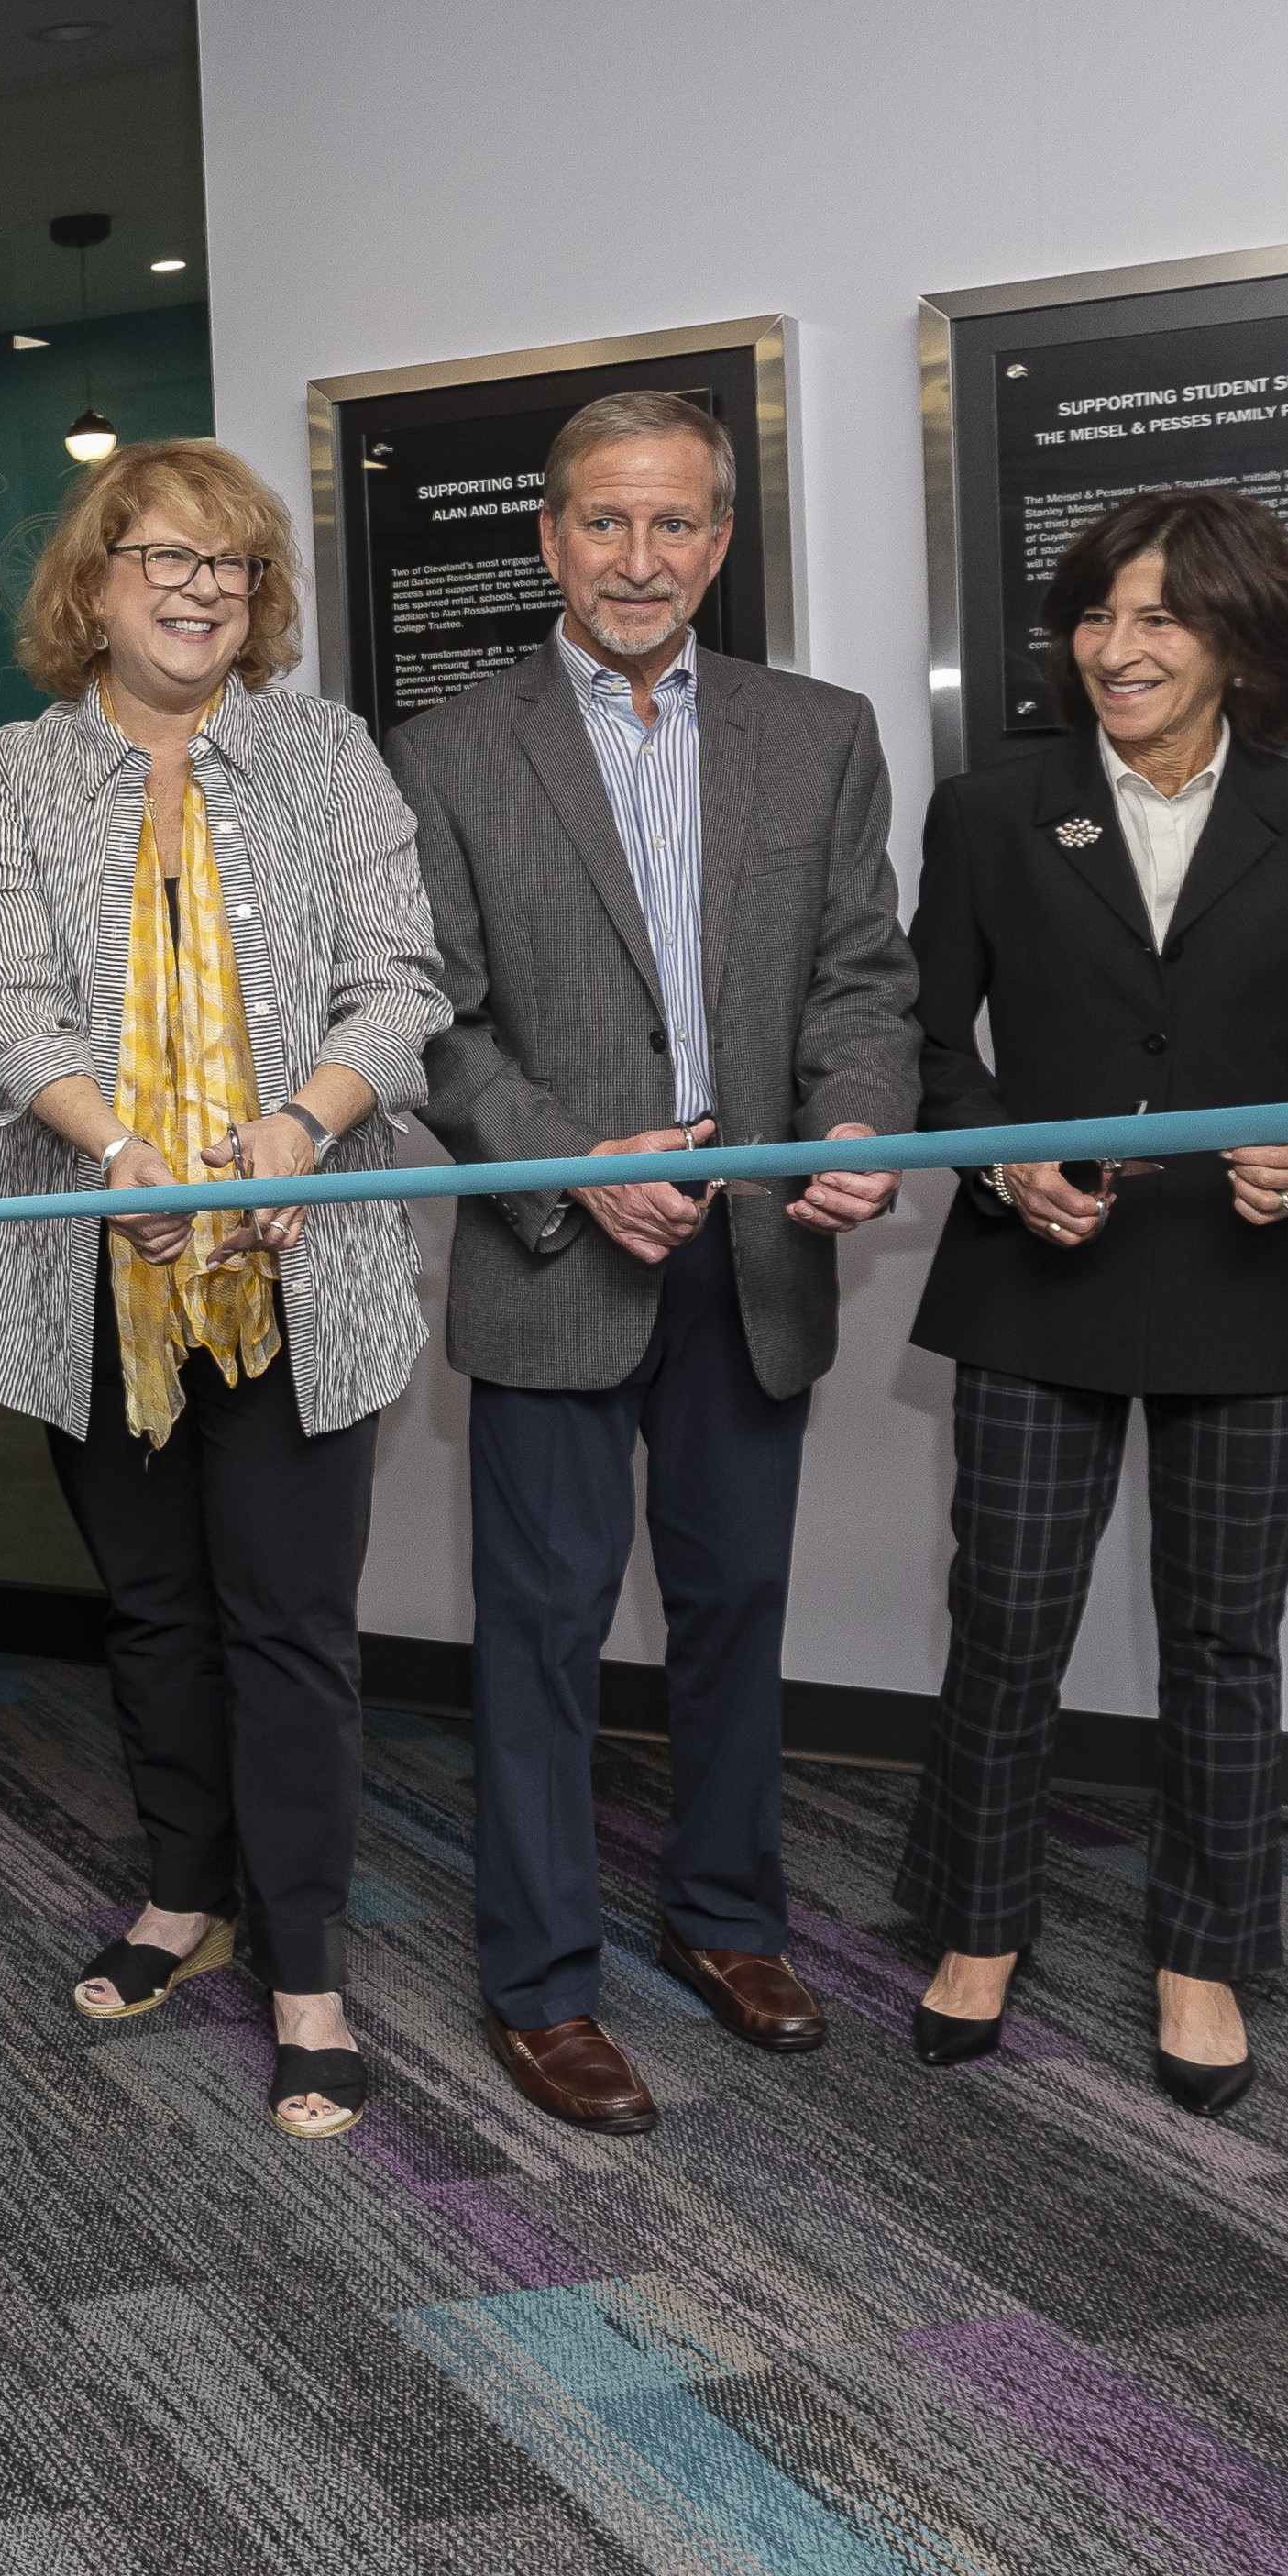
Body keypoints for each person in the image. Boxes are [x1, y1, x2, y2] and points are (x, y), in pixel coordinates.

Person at [388, 389, 919, 2139]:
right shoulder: (449, 752)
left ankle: (723, 1923)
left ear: (717, 541)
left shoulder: (818, 733)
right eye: (602, 525)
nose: (637, 558)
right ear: (546, 539)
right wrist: (565, 1167)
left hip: (750, 1249)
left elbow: (860, 977)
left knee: (731, 1617)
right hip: (556, 1248)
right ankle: (538, 1986)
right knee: (534, 1637)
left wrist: (850, 1123)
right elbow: (434, 1025)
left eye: (673, 524)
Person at [0, 439, 443, 2143]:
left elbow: (397, 983)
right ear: (90, 583)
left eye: (228, 566)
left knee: (287, 1623)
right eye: (160, 556)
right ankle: (180, 1895)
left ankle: (302, 1965)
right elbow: (2, 1000)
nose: (196, 588)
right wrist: (119, 1158)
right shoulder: (8, 773)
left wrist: (296, 1132)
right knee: (153, 1609)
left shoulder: (322, 752)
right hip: (97, 1256)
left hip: (306, 1257)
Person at [893, 491, 1288, 2117]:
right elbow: (922, 1048)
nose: (1115, 650)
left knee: (1220, 1637)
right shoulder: (987, 811)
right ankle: (975, 1929)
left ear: (1237, 645)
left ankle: (1203, 1952)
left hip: (1243, 1287)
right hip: (1035, 1275)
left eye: (1158, 620)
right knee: (1006, 1623)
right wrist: (997, 1165)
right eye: (1096, 617)